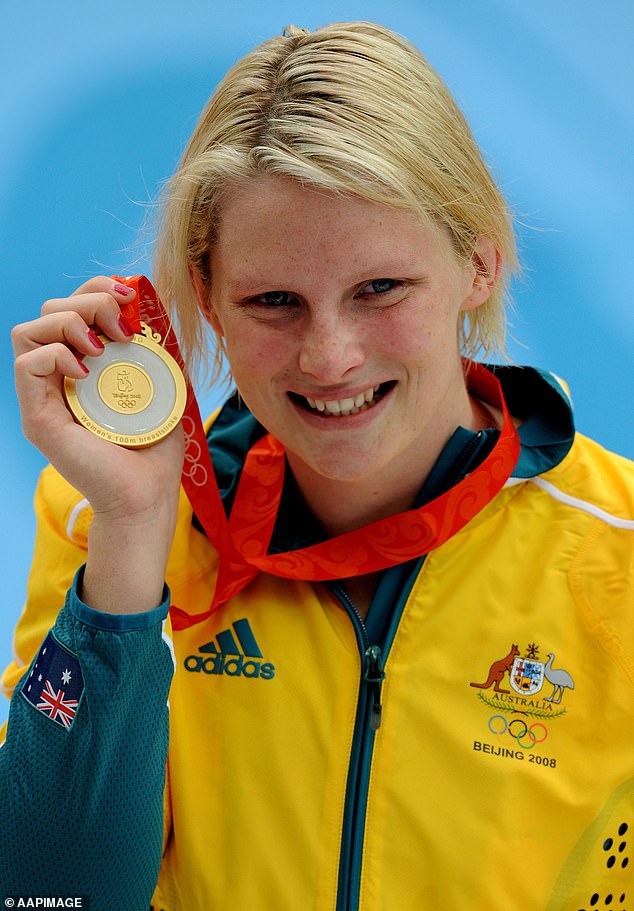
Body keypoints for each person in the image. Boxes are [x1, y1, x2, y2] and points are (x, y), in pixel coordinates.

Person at [2, 20, 633, 911]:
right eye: (274, 301)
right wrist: (136, 528)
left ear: (480, 261)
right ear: (209, 299)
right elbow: (50, 895)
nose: (329, 356)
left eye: (380, 289)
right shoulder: (106, 522)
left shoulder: (620, 559)